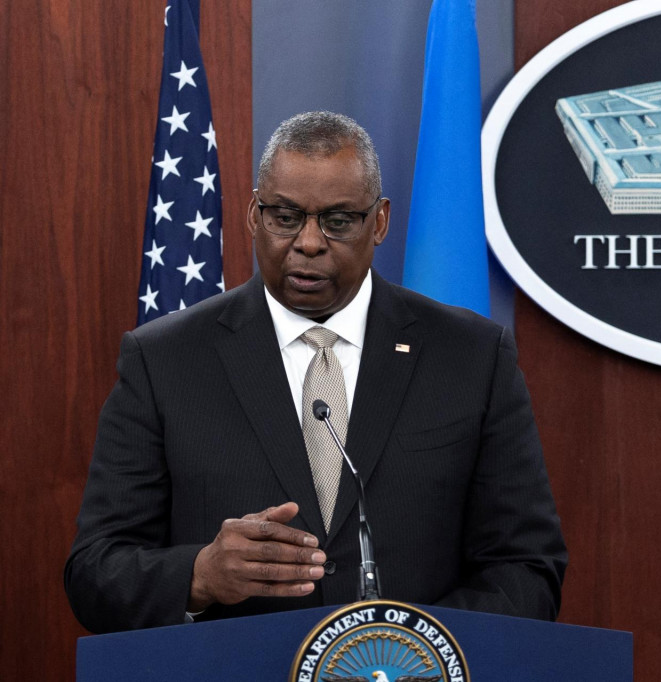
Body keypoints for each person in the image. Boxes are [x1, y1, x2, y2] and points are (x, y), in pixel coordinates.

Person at [65, 111, 567, 634]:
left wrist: (411, 652)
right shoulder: (164, 360)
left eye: (338, 220)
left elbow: (527, 568)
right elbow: (95, 571)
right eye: (285, 216)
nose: (308, 242)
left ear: (380, 222)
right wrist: (199, 575)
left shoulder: (471, 357)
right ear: (253, 215)